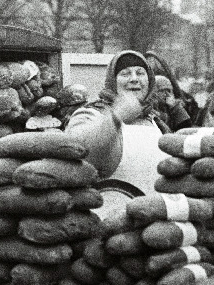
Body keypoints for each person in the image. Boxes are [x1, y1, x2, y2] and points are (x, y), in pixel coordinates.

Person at [65, 50, 170, 197]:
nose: (134, 79)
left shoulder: (158, 123)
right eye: (125, 74)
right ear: (112, 82)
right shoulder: (91, 114)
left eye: (140, 73)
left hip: (154, 215)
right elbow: (78, 152)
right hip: (107, 215)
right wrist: (116, 116)